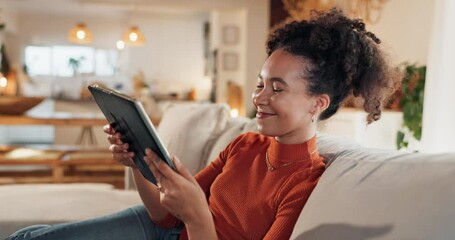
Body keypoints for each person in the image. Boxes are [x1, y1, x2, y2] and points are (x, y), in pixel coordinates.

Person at [7, 8, 397, 240]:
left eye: (277, 88)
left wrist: (197, 215)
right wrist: (139, 167)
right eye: (260, 84)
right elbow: (165, 216)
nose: (259, 97)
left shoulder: (305, 183)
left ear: (318, 103)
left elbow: (187, 217)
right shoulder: (244, 145)